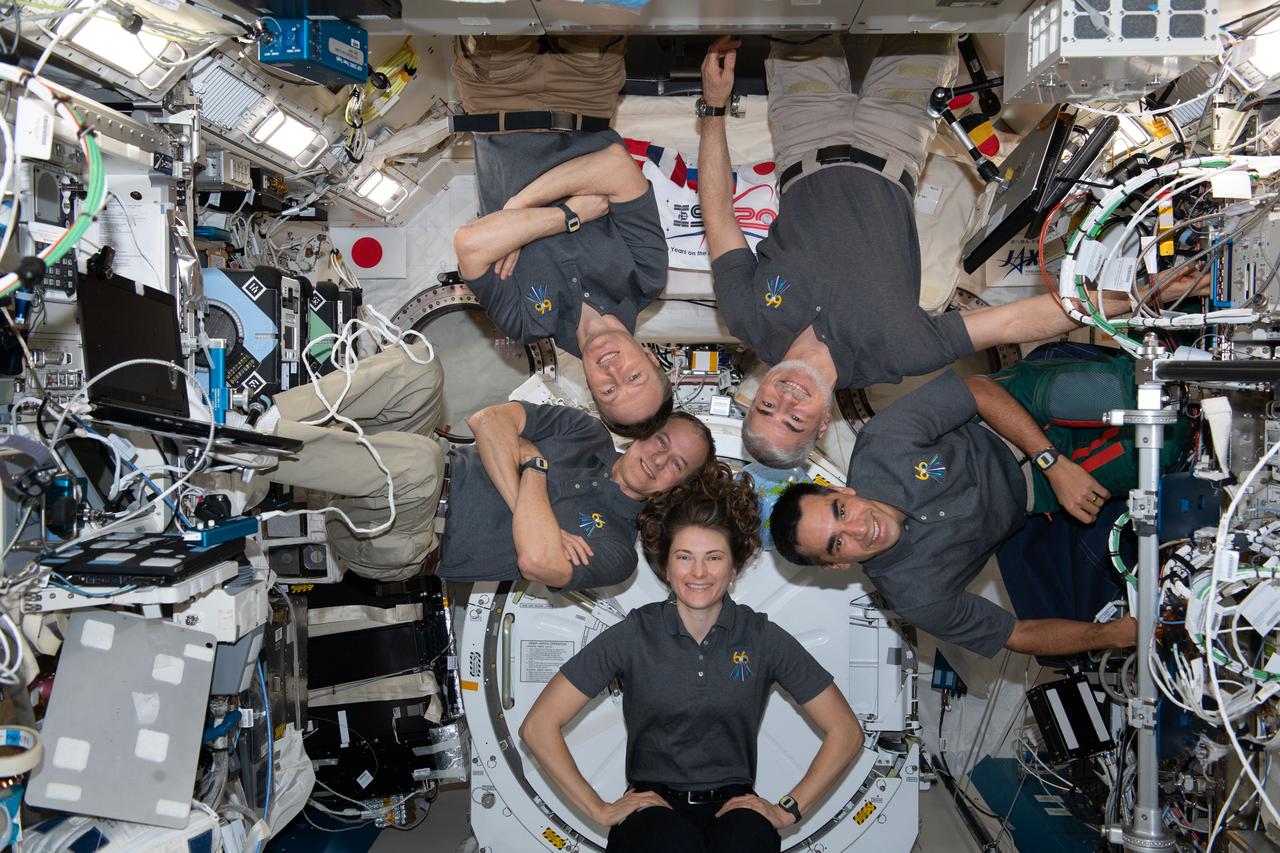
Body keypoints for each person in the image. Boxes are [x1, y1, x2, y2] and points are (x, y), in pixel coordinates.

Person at [695, 35, 1209, 468]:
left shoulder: (748, 318)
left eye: (767, 407)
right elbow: (1013, 325)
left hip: (801, 136)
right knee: (921, 17)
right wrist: (1138, 294)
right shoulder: (900, 353)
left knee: (805, 17)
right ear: (824, 421)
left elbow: (718, 212)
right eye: (796, 420)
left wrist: (714, 108)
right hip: (893, 139)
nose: (786, 400)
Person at [520, 464, 864, 852]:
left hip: (735, 811)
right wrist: (599, 810)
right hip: (652, 812)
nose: (698, 572)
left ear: (734, 568)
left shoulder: (762, 637)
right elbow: (538, 726)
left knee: (749, 840)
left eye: (714, 557)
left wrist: (788, 810)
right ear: (666, 567)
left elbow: (847, 732)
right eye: (684, 557)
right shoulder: (635, 634)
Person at [769, 369, 1140, 658]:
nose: (860, 529)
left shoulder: (882, 444)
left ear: (841, 490)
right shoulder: (917, 596)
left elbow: (976, 390)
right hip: (1037, 493)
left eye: (842, 511)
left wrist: (1051, 461)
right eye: (837, 544)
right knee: (1157, 451)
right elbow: (1017, 634)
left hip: (1012, 412)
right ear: (836, 566)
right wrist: (1109, 635)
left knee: (1133, 396)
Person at [450, 35, 673, 438]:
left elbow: (469, 244)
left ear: (589, 386)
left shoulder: (523, 322)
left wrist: (562, 214)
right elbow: (615, 165)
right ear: (653, 361)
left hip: (495, 96)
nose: (613, 371)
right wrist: (514, 218)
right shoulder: (647, 277)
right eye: (634, 378)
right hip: (585, 91)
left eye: (607, 389)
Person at [436, 402, 714, 591]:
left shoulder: (617, 551)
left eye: (677, 465)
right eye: (661, 441)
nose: (659, 459)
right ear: (645, 431)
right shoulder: (585, 431)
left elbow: (536, 561)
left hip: (424, 543)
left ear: (677, 488)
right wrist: (543, 528)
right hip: (433, 470)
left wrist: (534, 463)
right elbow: (487, 420)